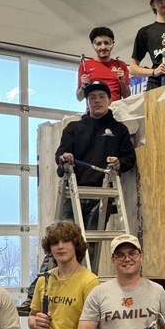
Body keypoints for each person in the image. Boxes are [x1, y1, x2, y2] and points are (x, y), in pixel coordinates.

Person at [55, 80, 136, 233]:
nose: (97, 100)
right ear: (87, 102)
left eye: (101, 96)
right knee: (66, 240)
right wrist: (64, 156)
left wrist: (119, 163)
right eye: (92, 97)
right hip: (74, 192)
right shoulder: (73, 128)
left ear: (110, 100)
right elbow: (61, 153)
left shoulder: (119, 130)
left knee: (90, 248)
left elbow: (129, 158)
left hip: (102, 195)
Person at [76, 26, 131, 103]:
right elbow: (79, 97)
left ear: (112, 44)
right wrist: (83, 86)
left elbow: (127, 96)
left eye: (106, 43)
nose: (103, 47)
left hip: (115, 111)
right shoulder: (85, 65)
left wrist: (122, 81)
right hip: (93, 112)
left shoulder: (121, 65)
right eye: (98, 44)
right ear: (93, 46)